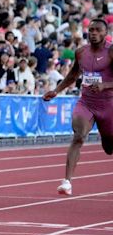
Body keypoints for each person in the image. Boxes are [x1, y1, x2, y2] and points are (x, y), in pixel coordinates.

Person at [43, 19, 113, 196]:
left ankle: (105, 135)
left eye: (98, 30)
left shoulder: (111, 51)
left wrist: (105, 85)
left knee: (109, 147)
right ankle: (67, 182)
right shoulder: (81, 52)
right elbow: (74, 74)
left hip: (109, 104)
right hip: (87, 102)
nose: (93, 33)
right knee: (78, 136)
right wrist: (56, 90)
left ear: (105, 33)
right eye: (91, 30)